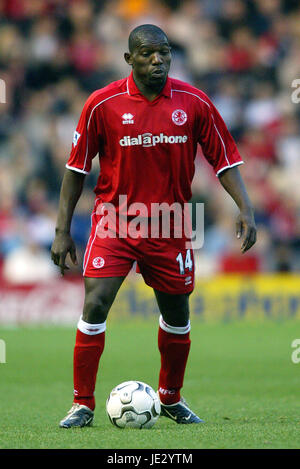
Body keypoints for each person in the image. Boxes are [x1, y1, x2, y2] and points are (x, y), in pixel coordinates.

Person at [51, 24, 256, 428]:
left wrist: (245, 208)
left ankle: (171, 399)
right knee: (94, 305)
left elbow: (225, 160)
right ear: (129, 59)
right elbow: (76, 170)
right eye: (147, 53)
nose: (158, 59)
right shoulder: (101, 104)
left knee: (177, 315)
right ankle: (82, 404)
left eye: (164, 53)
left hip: (173, 223)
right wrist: (62, 230)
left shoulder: (193, 102)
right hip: (115, 220)